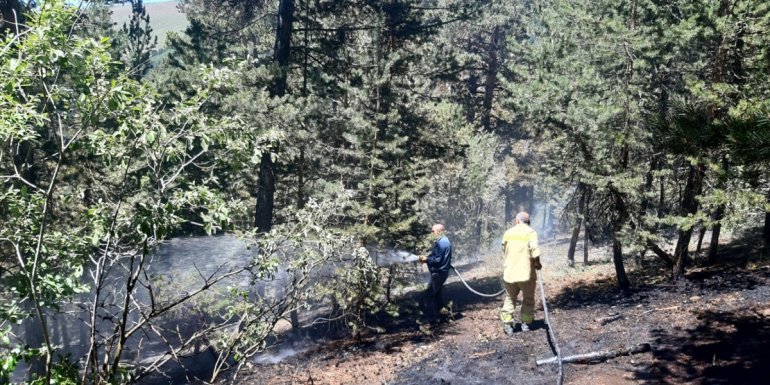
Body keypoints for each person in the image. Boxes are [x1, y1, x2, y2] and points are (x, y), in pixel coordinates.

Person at [500, 211, 542, 335]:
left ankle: (508, 325)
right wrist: (537, 263)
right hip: (526, 273)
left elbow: (504, 249)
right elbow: (535, 251)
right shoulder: (531, 232)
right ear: (528, 222)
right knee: (528, 299)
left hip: (509, 273)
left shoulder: (508, 233)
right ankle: (525, 324)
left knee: (509, 298)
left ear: (517, 221)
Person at [419, 224, 452, 319]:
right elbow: (438, 257)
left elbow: (438, 260)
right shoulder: (443, 241)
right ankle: (444, 317)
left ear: (439, 231)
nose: (431, 233)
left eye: (433, 231)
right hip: (441, 273)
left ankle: (430, 320)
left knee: (427, 296)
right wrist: (428, 258)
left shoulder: (442, 243)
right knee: (438, 296)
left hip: (438, 274)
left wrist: (427, 259)